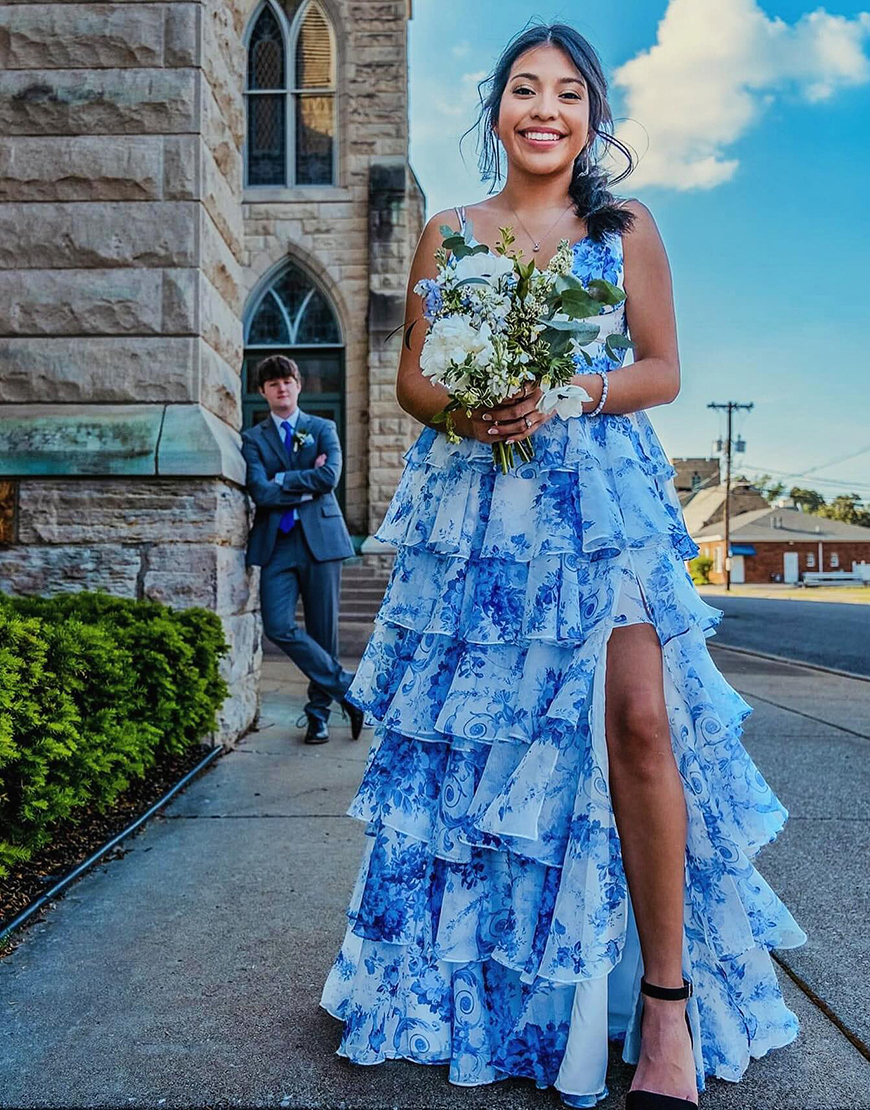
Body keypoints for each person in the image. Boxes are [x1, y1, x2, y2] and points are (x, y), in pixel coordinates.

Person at [320, 23, 806, 1110]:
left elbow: (664, 368)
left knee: (639, 721)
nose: (546, 109)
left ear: (592, 119)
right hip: (483, 512)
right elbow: (409, 379)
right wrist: (473, 410)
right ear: (496, 108)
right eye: (526, 90)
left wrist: (575, 393)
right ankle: (492, 989)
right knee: (489, 754)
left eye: (570, 94)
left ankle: (667, 1005)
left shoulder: (623, 227)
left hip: (601, 504)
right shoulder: (448, 231)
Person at [241, 355, 364, 745]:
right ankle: (346, 688)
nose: (282, 388)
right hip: (277, 543)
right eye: (273, 383)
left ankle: (318, 717)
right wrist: (306, 481)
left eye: (288, 381)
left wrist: (285, 479)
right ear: (262, 391)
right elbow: (260, 490)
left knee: (323, 631)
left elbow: (330, 476)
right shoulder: (253, 439)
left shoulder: (321, 428)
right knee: (278, 625)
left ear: (298, 386)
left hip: (321, 541)